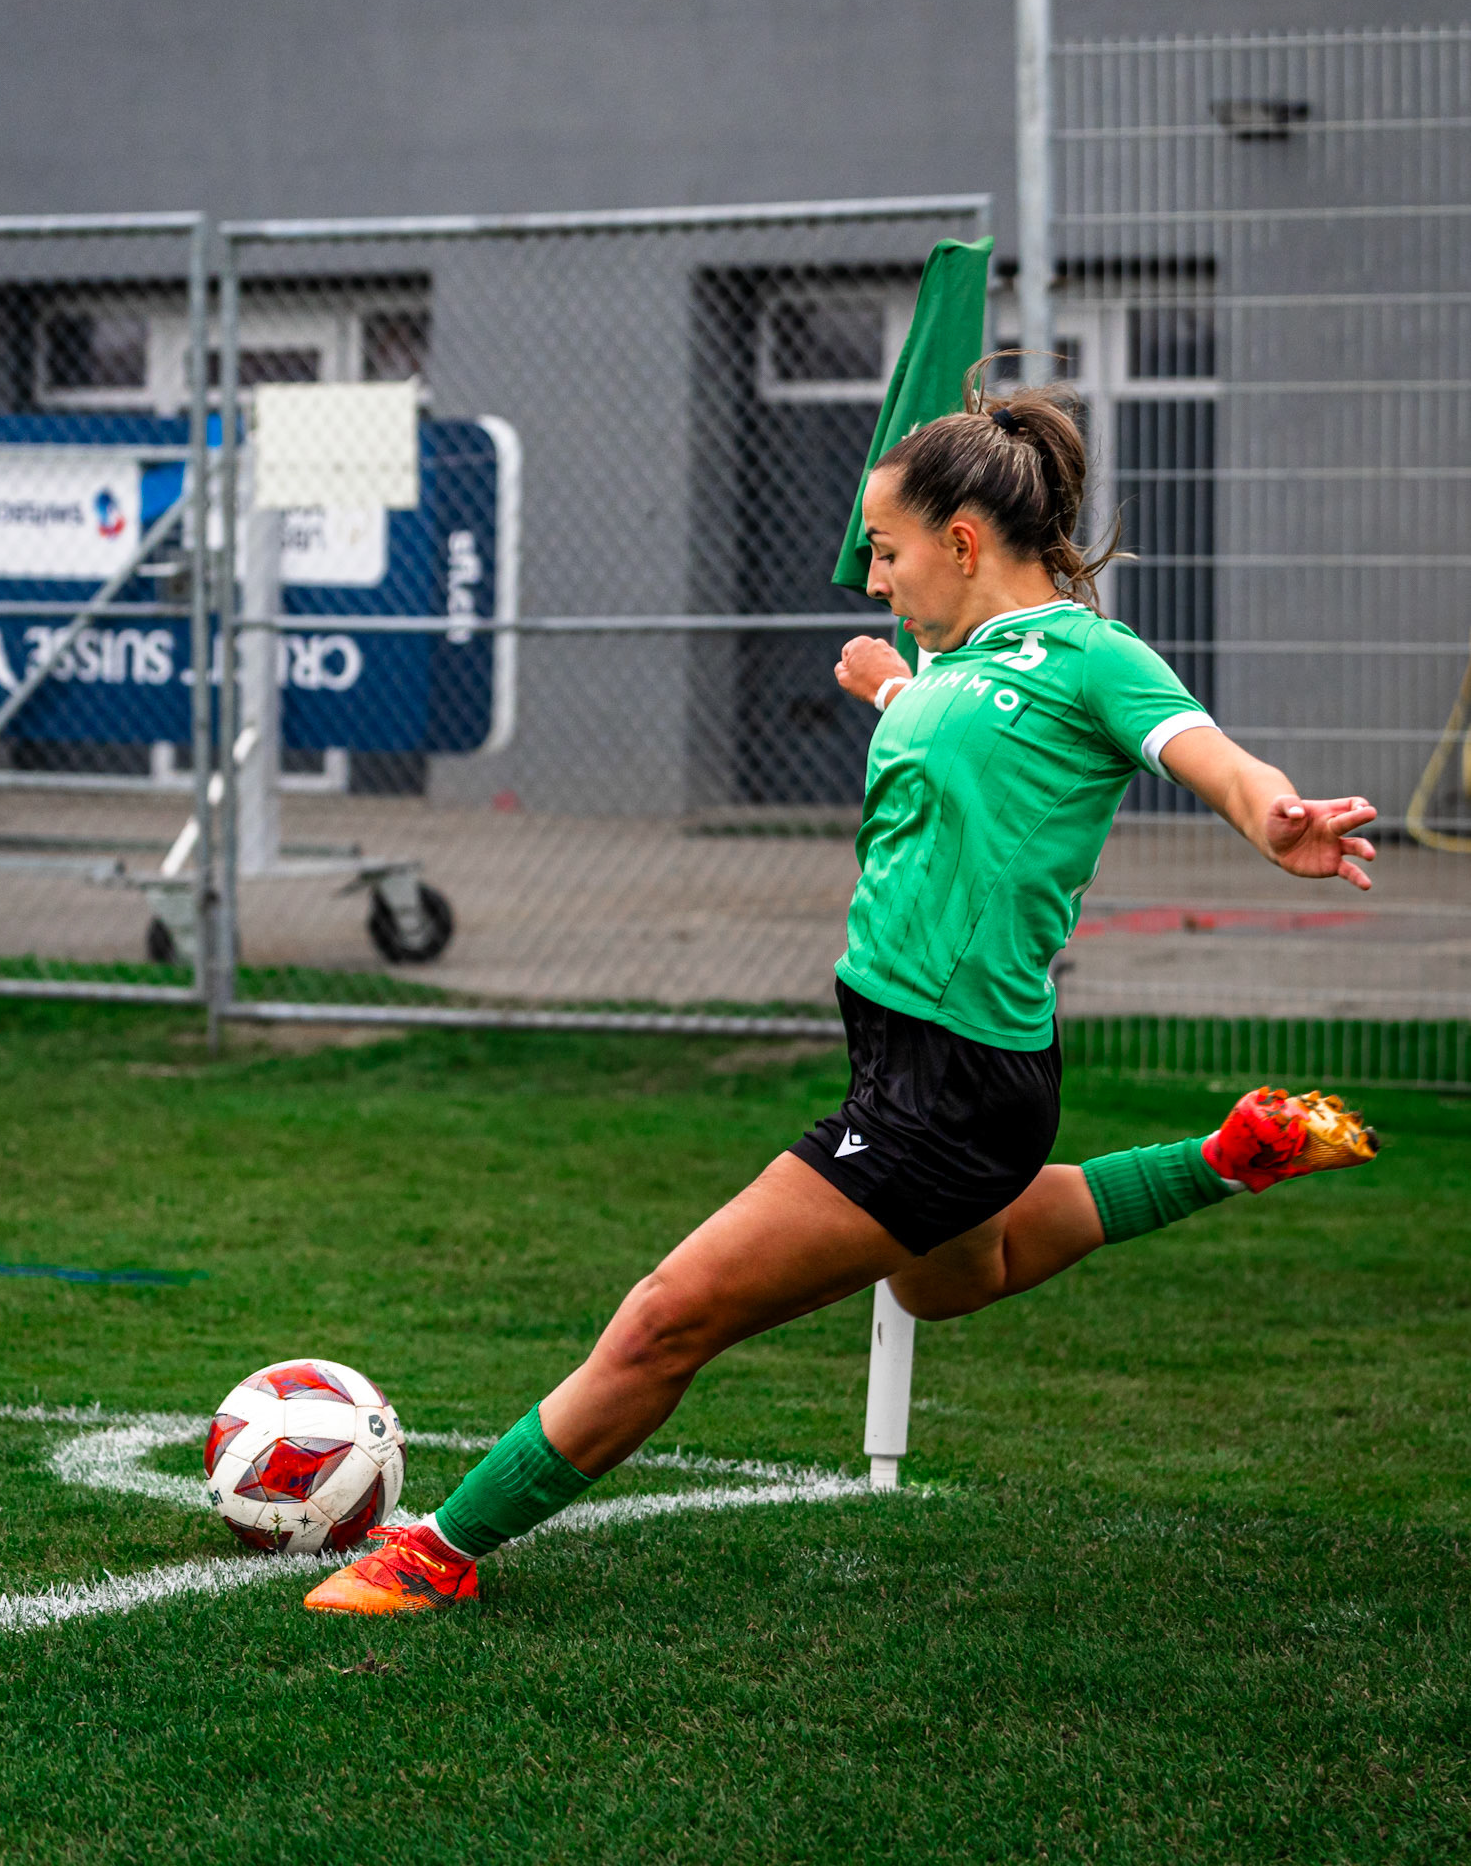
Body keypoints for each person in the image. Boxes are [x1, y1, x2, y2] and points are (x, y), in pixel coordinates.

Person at [305, 370, 1380, 1619]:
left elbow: (1209, 754)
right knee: (946, 1277)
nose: (875, 578)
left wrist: (1274, 814)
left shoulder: (1093, 656)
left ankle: (439, 1549)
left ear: (963, 544)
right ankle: (1231, 1155)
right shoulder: (956, 659)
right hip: (931, 1068)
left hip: (948, 1086)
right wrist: (890, 689)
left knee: (668, 1314)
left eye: (888, 549)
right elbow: (962, 736)